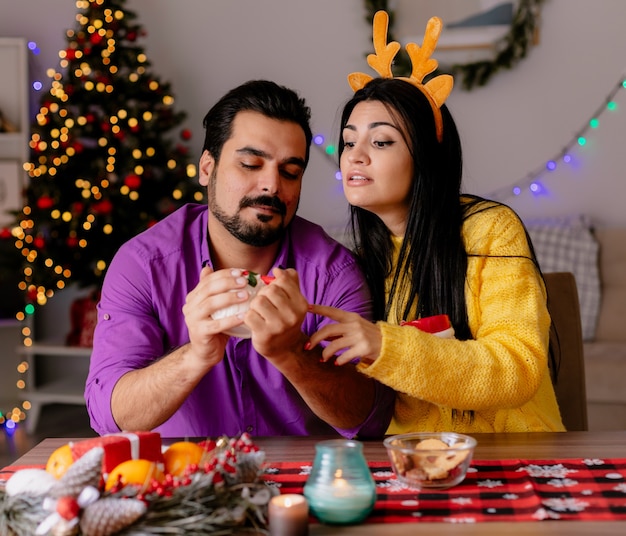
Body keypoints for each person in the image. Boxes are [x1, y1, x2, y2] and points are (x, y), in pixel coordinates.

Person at [85, 79, 394, 438]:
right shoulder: (144, 264)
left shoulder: (332, 271)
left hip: (299, 484)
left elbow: (368, 419)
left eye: (290, 172)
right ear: (206, 168)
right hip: (187, 481)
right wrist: (196, 355)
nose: (271, 186)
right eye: (250, 164)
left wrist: (292, 353)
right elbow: (110, 416)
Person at [307, 12, 565, 433]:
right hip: (411, 466)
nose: (354, 155)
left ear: (426, 156)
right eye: (349, 140)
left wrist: (384, 344)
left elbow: (516, 368)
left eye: (381, 141)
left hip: (513, 458)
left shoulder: (490, 229)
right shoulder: (355, 262)